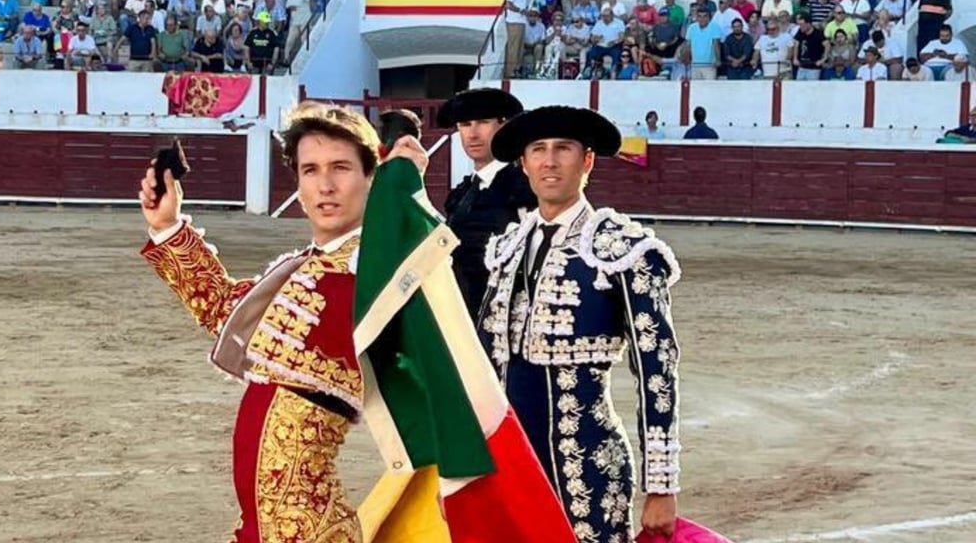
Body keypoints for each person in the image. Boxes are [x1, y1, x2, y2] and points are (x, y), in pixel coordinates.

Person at [136, 103, 424, 543]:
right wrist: (168, 228)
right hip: (271, 526)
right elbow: (223, 310)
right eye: (310, 170)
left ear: (372, 178)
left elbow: (408, 260)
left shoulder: (376, 265)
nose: (325, 185)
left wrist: (398, 196)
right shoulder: (303, 267)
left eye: (341, 168)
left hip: (305, 528)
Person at [479, 105, 683, 542]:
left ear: (586, 161)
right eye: (538, 150)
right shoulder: (506, 247)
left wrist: (661, 485)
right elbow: (480, 363)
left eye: (563, 149)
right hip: (511, 466)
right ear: (524, 163)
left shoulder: (623, 249)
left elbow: (656, 370)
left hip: (589, 469)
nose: (549, 161)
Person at [437, 88, 536, 322]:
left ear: (504, 127)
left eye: (483, 122)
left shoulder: (524, 189)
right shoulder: (462, 192)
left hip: (506, 319)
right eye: (464, 124)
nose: (472, 134)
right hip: (461, 316)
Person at [504, 0, 531, 79]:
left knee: (520, 49)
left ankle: (517, 70)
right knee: (513, 48)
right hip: (513, 21)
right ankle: (510, 72)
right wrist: (520, 10)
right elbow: (508, 5)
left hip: (522, 21)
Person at [793, 14, 828, 80]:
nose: (800, 27)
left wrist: (823, 59)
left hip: (814, 67)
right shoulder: (800, 32)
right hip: (802, 66)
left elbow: (827, 45)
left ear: (808, 24)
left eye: (802, 24)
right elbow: (796, 43)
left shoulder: (818, 33)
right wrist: (795, 58)